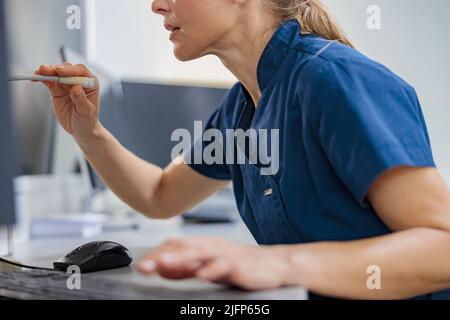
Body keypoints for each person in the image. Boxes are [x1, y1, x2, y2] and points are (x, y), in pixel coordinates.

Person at [35, 0, 450, 300]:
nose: (157, 6)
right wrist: (87, 131)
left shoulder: (334, 79)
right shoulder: (242, 105)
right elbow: (160, 195)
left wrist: (281, 263)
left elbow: (443, 248)